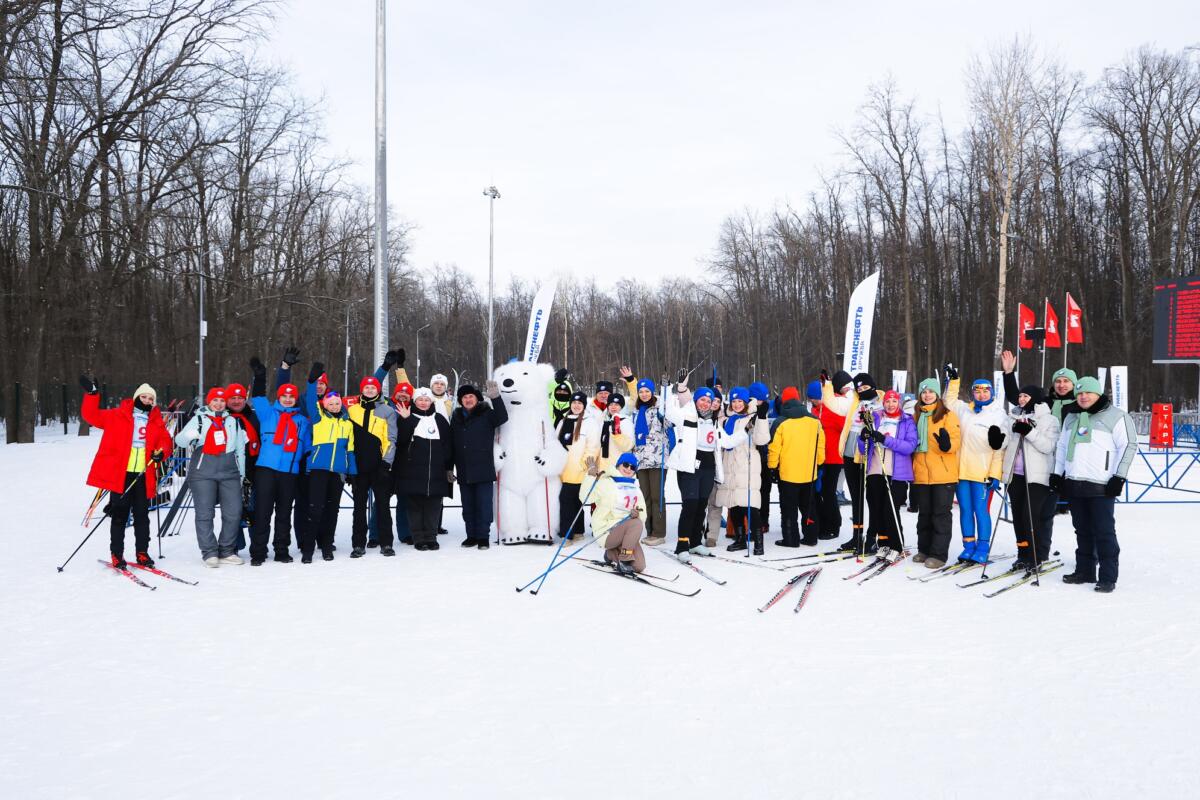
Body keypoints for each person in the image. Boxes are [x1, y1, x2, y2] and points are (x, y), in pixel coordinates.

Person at [79, 376, 173, 568]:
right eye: (144, 397)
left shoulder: (155, 421)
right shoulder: (117, 415)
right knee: (120, 515)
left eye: (151, 399)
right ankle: (117, 554)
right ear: (137, 397)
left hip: (143, 475)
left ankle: (142, 552)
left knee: (141, 516)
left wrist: (161, 452)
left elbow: (166, 442)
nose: (147, 401)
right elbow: (91, 416)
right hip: (120, 475)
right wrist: (92, 395)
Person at [1053, 376, 1135, 593]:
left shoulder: (1116, 416)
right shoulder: (1071, 417)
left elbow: (1128, 446)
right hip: (1075, 483)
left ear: (1097, 394)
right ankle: (1085, 571)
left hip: (1102, 485)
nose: (1083, 396)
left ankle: (1108, 576)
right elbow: (1062, 447)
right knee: (1082, 530)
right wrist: (1057, 474)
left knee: (1104, 531)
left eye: (1088, 392)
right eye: (1079, 393)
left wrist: (1119, 477)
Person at [175, 387, 249, 567]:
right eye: (215, 400)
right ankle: (209, 552)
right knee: (205, 513)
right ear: (209, 401)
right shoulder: (199, 419)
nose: (219, 403)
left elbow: (240, 450)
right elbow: (179, 441)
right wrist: (188, 436)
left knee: (233, 512)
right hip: (203, 472)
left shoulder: (233, 421)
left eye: (222, 401)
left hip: (229, 471)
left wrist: (241, 474)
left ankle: (226, 550)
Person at [248, 358, 311, 565]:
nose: (287, 399)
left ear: (295, 400)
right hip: (266, 470)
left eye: (291, 397)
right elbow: (257, 396)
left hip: (289, 472)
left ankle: (281, 549)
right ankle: (258, 551)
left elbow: (307, 449)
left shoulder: (302, 422)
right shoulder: (268, 414)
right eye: (284, 396)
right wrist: (260, 376)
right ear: (279, 397)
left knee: (284, 513)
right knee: (263, 512)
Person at [942, 363, 1005, 563]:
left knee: (981, 511)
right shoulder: (964, 410)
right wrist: (953, 381)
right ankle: (968, 546)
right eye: (977, 391)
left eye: (986, 391)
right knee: (966, 510)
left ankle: (983, 546)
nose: (981, 394)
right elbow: (948, 400)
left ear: (992, 393)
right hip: (961, 471)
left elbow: (1000, 449)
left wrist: (995, 474)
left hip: (982, 474)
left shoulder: (998, 414)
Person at [998, 384, 1061, 571]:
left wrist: (1029, 432)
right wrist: (997, 438)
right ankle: (1022, 554)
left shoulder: (1049, 420)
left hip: (1036, 477)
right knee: (1018, 517)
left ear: (1035, 398)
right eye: (1020, 396)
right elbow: (1005, 441)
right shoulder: (1013, 416)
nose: (1022, 399)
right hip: (1014, 475)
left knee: (1030, 517)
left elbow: (1049, 446)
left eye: (1026, 396)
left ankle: (1036, 555)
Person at [664, 375, 722, 561]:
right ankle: (682, 545)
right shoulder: (687, 415)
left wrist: (744, 431)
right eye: (702, 400)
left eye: (708, 400)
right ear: (696, 401)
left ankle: (696, 542)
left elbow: (725, 440)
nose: (705, 403)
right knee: (690, 505)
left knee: (701, 506)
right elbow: (669, 412)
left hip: (708, 466)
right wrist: (668, 388)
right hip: (689, 466)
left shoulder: (713, 421)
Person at [858, 389, 918, 559]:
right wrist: (864, 438)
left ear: (898, 403)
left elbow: (909, 447)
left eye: (894, 401)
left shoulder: (906, 421)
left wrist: (885, 439)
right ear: (883, 403)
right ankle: (883, 543)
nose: (891, 405)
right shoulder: (876, 418)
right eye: (887, 402)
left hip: (896, 472)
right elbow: (864, 449)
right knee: (876, 508)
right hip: (875, 469)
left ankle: (896, 545)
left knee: (890, 509)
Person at [394, 388, 453, 551]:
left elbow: (448, 445)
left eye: (426, 400)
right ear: (415, 401)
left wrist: (448, 467)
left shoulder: (440, 419)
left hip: (435, 472)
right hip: (412, 472)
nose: (423, 402)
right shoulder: (407, 417)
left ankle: (431, 537)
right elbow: (401, 441)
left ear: (431, 402)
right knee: (414, 507)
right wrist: (406, 420)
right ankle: (418, 538)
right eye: (420, 399)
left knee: (433, 507)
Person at [714, 387, 771, 555]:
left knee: (750, 506)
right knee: (734, 505)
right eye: (734, 401)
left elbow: (762, 439)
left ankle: (758, 541)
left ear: (746, 402)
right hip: (729, 466)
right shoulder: (727, 419)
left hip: (747, 467)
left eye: (740, 401)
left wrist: (761, 418)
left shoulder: (753, 417)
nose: (737, 404)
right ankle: (740, 539)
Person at [910, 378, 960, 569]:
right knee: (924, 514)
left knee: (940, 515)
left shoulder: (948, 416)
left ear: (937, 394)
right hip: (921, 474)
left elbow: (956, 441)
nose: (927, 395)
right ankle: (924, 549)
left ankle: (938, 554)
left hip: (943, 474)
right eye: (924, 392)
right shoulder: (916, 415)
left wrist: (947, 445)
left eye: (931, 392)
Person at [303, 382, 356, 563]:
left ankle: (327, 546)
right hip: (319, 469)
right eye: (331, 403)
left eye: (337, 403)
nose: (334, 406)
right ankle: (308, 549)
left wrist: (352, 471)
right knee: (315, 509)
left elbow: (350, 448)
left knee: (332, 511)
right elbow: (310, 401)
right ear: (325, 405)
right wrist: (311, 383)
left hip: (338, 472)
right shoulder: (319, 419)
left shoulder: (347, 423)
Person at [346, 375, 399, 558]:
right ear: (362, 389)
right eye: (366, 387)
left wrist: (386, 463)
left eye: (373, 387)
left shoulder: (387, 411)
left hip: (379, 466)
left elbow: (391, 439)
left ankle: (386, 543)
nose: (369, 390)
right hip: (359, 467)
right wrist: (348, 466)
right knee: (358, 507)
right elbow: (347, 438)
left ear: (378, 390)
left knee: (383, 506)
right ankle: (358, 544)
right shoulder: (352, 410)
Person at [450, 381, 507, 548]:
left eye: (471, 396)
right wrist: (448, 467)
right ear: (461, 400)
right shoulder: (456, 417)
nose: (468, 399)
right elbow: (452, 444)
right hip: (464, 469)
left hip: (483, 469)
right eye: (465, 397)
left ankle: (483, 537)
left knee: (483, 505)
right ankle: (471, 535)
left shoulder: (487, 414)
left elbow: (502, 417)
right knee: (468, 506)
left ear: (477, 398)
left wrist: (496, 397)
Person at [767, 385, 825, 547]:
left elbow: (774, 448)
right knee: (809, 507)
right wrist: (819, 463)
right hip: (809, 473)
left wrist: (772, 467)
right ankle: (811, 536)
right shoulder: (815, 421)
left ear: (783, 402)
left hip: (787, 474)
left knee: (788, 508)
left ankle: (790, 538)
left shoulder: (781, 422)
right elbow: (820, 446)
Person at [828, 371, 878, 552]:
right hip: (850, 452)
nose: (862, 391)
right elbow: (833, 404)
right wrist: (827, 386)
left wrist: (871, 426)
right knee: (856, 496)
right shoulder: (853, 403)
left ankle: (873, 537)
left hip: (869, 453)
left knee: (872, 497)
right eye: (859, 388)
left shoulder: (879, 402)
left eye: (865, 387)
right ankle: (857, 536)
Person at [584, 452, 648, 575]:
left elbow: (642, 512)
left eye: (633, 467)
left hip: (627, 532)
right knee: (636, 524)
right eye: (626, 464)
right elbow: (585, 498)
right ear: (618, 465)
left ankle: (610, 554)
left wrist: (637, 514)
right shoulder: (606, 482)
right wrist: (591, 477)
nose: (629, 468)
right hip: (607, 531)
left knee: (639, 566)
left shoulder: (635, 487)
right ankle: (623, 561)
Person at [630, 377, 670, 546]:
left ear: (652, 392)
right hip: (641, 460)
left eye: (647, 391)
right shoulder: (636, 411)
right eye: (641, 391)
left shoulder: (659, 408)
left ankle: (659, 532)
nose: (644, 394)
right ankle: (649, 530)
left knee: (656, 496)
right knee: (645, 497)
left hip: (657, 460)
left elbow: (670, 423)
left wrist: (665, 408)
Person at [555, 391, 598, 542]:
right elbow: (555, 443)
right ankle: (578, 530)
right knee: (573, 501)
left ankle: (566, 534)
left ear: (584, 405)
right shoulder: (563, 421)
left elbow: (593, 447)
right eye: (574, 402)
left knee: (569, 501)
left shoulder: (589, 422)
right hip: (563, 469)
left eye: (580, 403)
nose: (576, 405)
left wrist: (583, 465)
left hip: (579, 470)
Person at [809, 378, 847, 541]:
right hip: (819, 458)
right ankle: (823, 523)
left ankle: (834, 526)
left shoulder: (834, 410)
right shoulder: (815, 410)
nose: (813, 401)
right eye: (811, 398)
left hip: (833, 458)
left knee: (828, 493)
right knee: (819, 492)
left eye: (816, 397)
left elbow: (845, 429)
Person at [750, 381, 774, 536]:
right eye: (759, 400)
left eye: (764, 400)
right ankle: (750, 521)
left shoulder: (768, 408)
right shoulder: (747, 410)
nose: (762, 403)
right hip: (751, 458)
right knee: (752, 491)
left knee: (765, 491)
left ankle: (764, 521)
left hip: (765, 458)